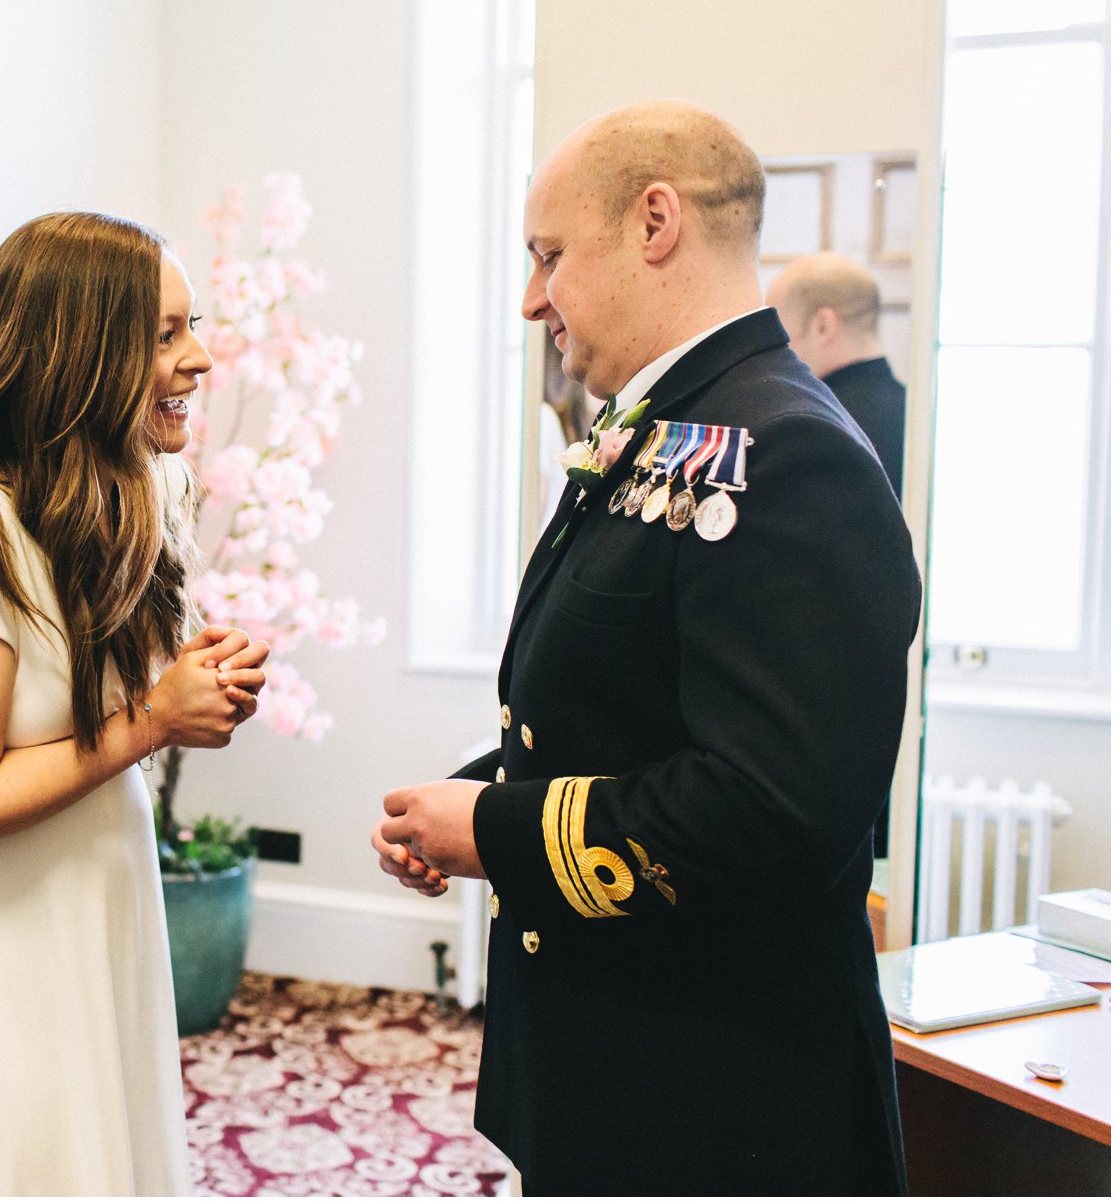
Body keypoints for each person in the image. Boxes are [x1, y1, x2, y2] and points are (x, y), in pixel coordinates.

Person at [371, 102, 921, 1195]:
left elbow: (772, 809)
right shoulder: (676, 426)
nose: (534, 299)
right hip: (616, 1059)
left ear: (654, 222)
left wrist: (493, 827)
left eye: (549, 256)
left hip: (717, 1092)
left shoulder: (789, 453)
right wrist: (472, 794)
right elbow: (633, 714)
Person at [0, 212, 269, 1195]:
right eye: (163, 334)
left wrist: (196, 685)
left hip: (89, 908)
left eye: (189, 326)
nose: (199, 359)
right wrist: (155, 719)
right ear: (77, 354)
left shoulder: (127, 501)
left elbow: (88, 708)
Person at [770, 251, 907, 494]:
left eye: (780, 330)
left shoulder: (814, 426)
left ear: (824, 325)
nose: (774, 347)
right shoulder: (919, 414)